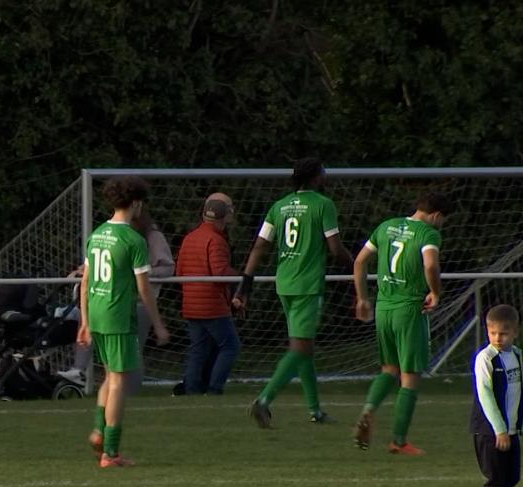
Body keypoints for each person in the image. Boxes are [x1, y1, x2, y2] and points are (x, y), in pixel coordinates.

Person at [233, 158, 352, 426]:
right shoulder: (323, 205)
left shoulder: (280, 206)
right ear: (316, 177)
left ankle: (315, 410)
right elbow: (335, 248)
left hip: (284, 284)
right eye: (323, 171)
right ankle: (263, 401)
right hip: (307, 286)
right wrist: (357, 264)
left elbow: (260, 246)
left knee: (304, 347)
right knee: (299, 349)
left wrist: (245, 283)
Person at [78, 175, 170, 467]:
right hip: (119, 315)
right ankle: (111, 452)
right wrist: (158, 323)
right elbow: (143, 289)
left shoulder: (98, 234)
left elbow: (85, 282)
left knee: (109, 375)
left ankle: (98, 431)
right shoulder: (133, 239)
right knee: (119, 380)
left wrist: (84, 320)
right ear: (136, 203)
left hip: (97, 313)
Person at [351, 191, 450, 455]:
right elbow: (430, 265)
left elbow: (360, 261)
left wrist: (362, 298)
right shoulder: (428, 234)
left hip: (384, 309)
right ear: (436, 216)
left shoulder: (387, 226)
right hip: (409, 310)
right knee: (409, 377)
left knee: (388, 369)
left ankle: (368, 410)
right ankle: (398, 440)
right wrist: (436, 292)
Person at [456, 304, 523, 487]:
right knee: (495, 479)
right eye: (492, 332)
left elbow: (516, 392)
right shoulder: (485, 358)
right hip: (490, 430)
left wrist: (514, 425)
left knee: (512, 477)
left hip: (510, 429)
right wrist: (500, 429)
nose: (497, 338)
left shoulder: (516, 354)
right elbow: (485, 395)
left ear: (515, 331)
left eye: (503, 333)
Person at [175, 193, 241, 395]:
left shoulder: (190, 237)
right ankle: (214, 388)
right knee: (230, 346)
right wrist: (240, 276)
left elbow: (179, 272)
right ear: (223, 218)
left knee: (198, 349)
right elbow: (219, 272)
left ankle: (192, 389)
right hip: (212, 306)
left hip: (191, 305)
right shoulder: (217, 240)